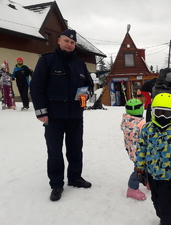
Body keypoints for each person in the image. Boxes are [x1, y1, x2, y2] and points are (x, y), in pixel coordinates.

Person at [30, 29, 94, 201]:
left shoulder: (80, 64)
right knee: (55, 152)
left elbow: (89, 84)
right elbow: (36, 87)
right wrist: (41, 112)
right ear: (59, 41)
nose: (69, 44)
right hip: (54, 117)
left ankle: (74, 178)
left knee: (75, 149)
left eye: (72, 43)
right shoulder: (47, 60)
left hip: (75, 116)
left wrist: (87, 93)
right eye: (66, 41)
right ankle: (56, 184)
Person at [135, 93, 171, 225]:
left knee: (167, 207)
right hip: (152, 176)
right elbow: (141, 149)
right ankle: (164, 219)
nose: (162, 117)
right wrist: (140, 168)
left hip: (169, 179)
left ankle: (170, 221)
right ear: (152, 112)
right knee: (157, 202)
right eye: (158, 112)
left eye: (167, 113)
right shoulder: (147, 129)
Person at [121, 98, 147, 200]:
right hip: (141, 152)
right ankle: (132, 187)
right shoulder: (141, 124)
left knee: (145, 167)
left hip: (131, 150)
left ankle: (147, 181)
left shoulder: (126, 121)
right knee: (139, 169)